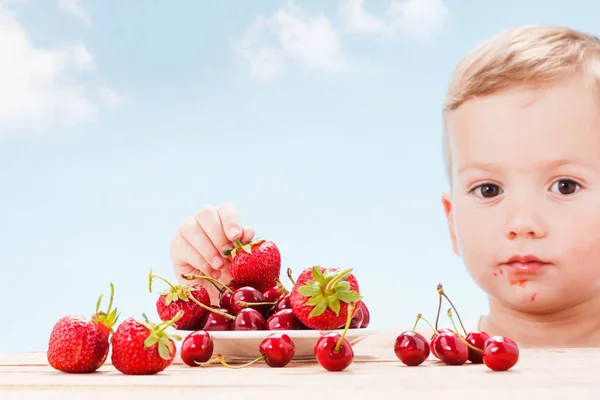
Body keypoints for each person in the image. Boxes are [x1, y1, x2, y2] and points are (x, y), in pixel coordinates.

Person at [169, 25, 600, 348]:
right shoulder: (403, 358)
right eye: (488, 190)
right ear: (453, 224)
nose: (522, 223)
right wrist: (223, 305)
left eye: (564, 186)